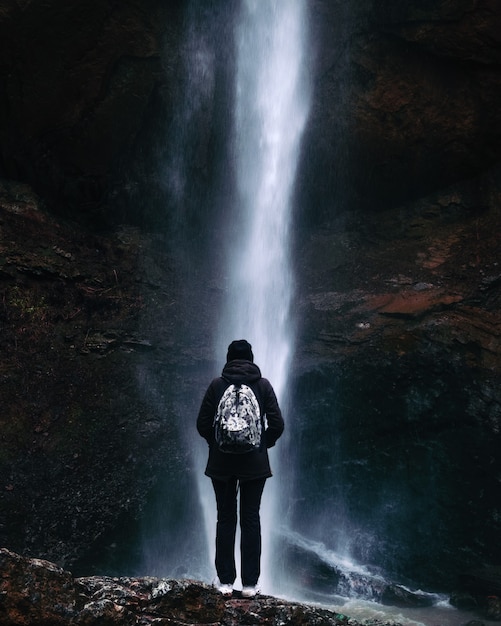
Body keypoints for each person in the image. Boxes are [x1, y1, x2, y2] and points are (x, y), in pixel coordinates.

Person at [196, 339, 284, 598]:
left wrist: (216, 444)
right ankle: (249, 585)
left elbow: (202, 423)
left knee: (225, 518)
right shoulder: (263, 385)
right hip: (254, 465)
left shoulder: (216, 385)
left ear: (228, 358)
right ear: (251, 358)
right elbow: (277, 424)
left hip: (221, 464)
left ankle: (224, 583)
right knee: (250, 519)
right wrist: (262, 444)